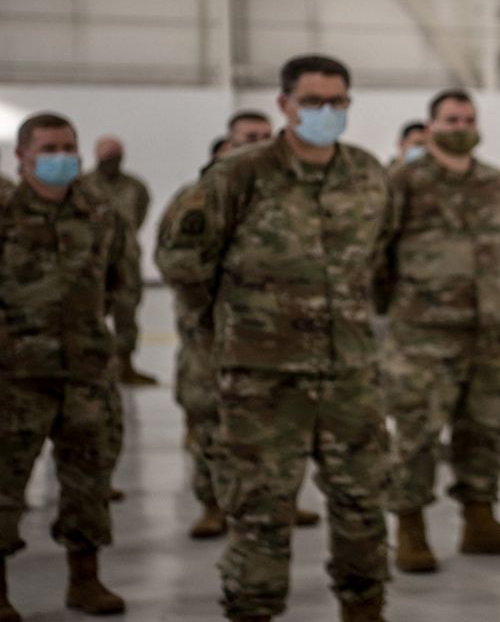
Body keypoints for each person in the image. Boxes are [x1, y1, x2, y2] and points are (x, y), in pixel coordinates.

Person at [155, 55, 392, 622]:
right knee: (260, 514)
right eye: (313, 102)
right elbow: (183, 260)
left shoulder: (367, 173)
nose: (326, 112)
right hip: (263, 383)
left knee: (362, 506)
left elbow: (375, 259)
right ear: (286, 105)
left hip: (349, 377)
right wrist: (229, 332)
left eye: (338, 102)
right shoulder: (240, 173)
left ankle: (365, 610)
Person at [380, 88, 500, 576]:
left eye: (468, 118)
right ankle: (410, 528)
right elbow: (376, 254)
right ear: (430, 127)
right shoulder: (402, 181)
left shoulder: (496, 183)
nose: (461, 126)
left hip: (490, 331)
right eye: (451, 119)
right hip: (423, 334)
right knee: (416, 433)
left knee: (487, 429)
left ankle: (480, 521)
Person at [155, 111, 320, 541]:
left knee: (284, 426)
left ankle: (282, 500)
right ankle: (213, 506)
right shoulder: (201, 196)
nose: (260, 144)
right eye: (250, 137)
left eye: (267, 137)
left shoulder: (291, 197)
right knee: (213, 425)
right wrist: (216, 311)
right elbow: (177, 263)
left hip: (282, 338)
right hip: (217, 337)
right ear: (227, 144)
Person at [1, 112, 129, 619]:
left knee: (89, 483)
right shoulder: (5, 212)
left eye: (69, 147)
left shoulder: (100, 211)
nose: (62, 158)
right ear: (22, 156)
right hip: (15, 375)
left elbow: (116, 278)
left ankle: (85, 580)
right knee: (4, 486)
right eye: (50, 148)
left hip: (86, 372)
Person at [84, 134, 157, 388]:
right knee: (89, 311)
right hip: (92, 260)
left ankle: (125, 365)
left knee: (127, 310)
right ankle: (92, 367)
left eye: (116, 155)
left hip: (126, 259)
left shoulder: (135, 186)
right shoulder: (83, 184)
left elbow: (140, 213)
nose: (112, 160)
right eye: (107, 155)